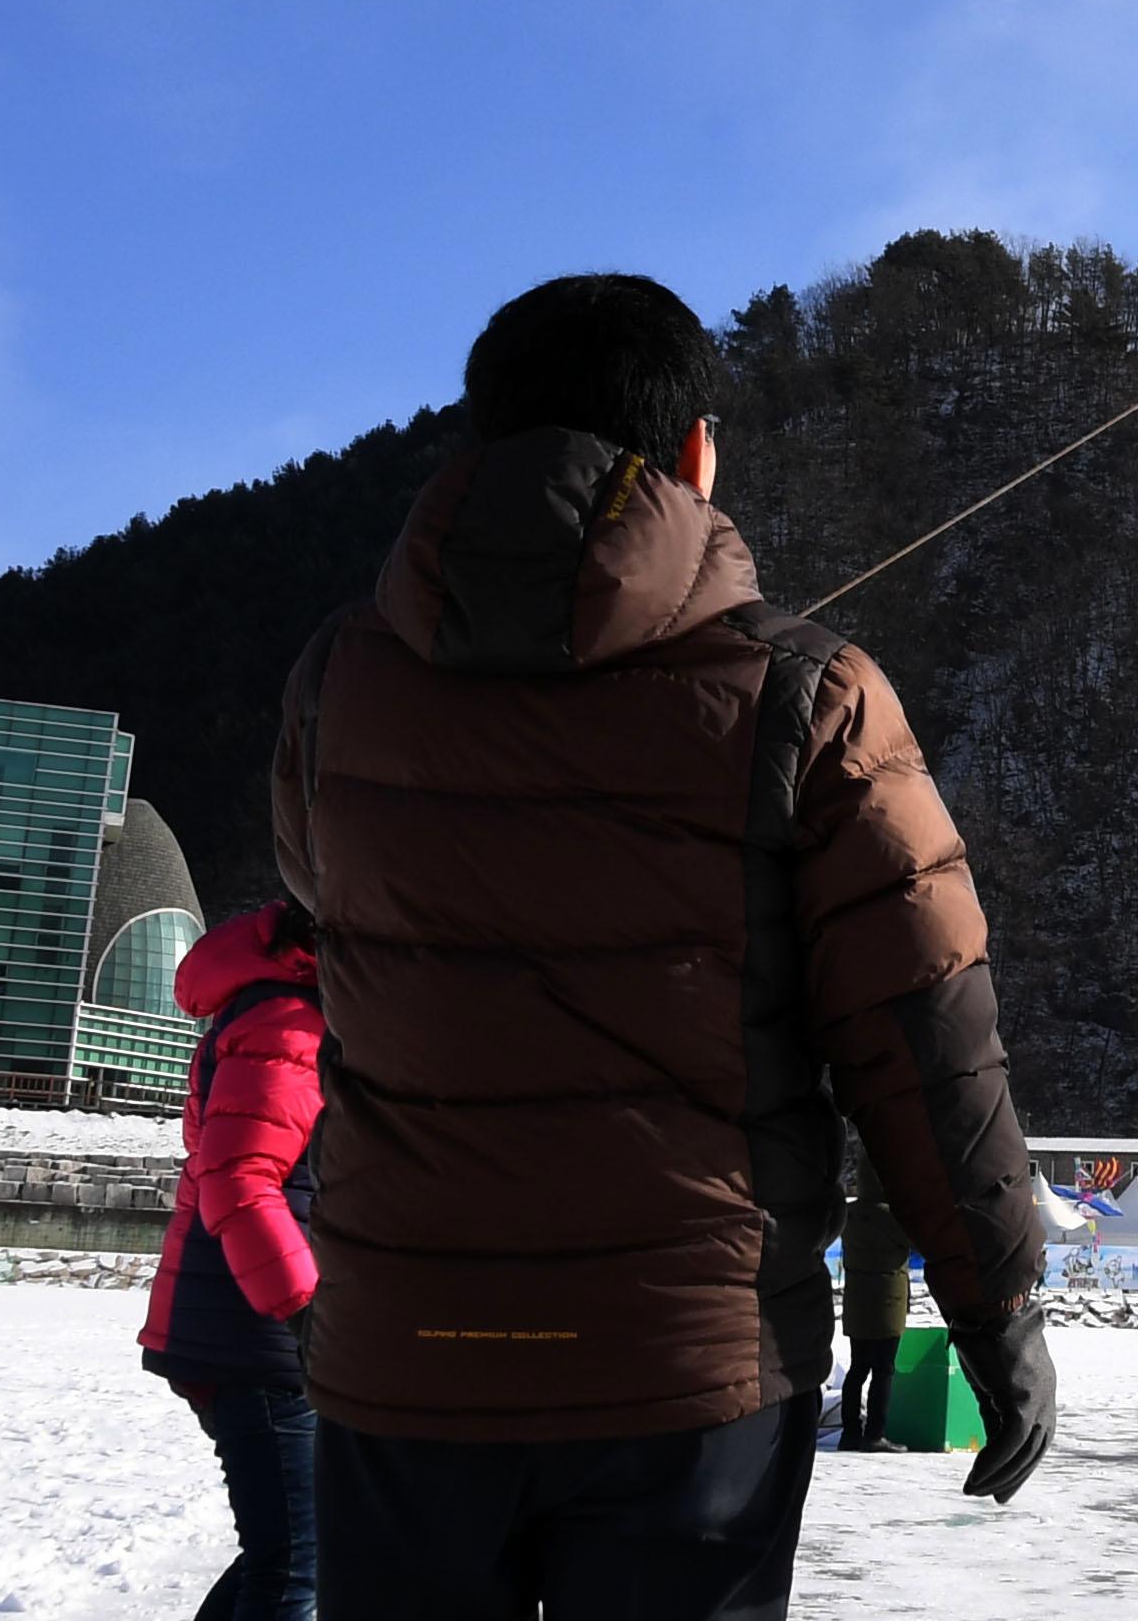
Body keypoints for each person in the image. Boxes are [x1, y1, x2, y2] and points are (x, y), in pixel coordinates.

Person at [275, 272, 1053, 1621]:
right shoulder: (814, 695)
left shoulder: (337, 682)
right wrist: (995, 1310)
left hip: (406, 1361)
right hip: (689, 1378)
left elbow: (320, 902)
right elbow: (926, 1041)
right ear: (697, 454)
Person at [137, 901, 329, 1621]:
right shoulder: (289, 1022)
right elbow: (241, 1180)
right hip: (261, 1338)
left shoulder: (295, 1010)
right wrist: (305, 1313)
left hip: (250, 1328)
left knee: (290, 1554)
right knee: (296, 1568)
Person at [837, 1185, 913, 1451]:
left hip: (857, 1299)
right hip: (887, 1302)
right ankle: (875, 1434)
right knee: (883, 1370)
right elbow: (913, 1240)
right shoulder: (892, 1216)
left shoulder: (849, 1213)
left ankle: (850, 1433)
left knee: (858, 1368)